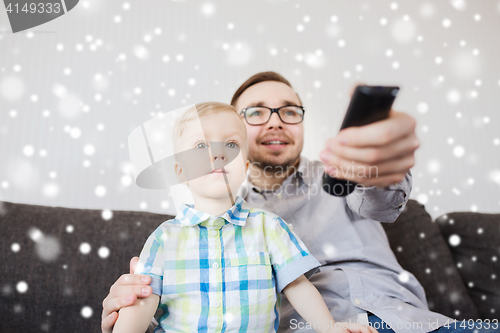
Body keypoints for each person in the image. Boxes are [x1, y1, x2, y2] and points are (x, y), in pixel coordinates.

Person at [102, 72, 493, 333]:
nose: (275, 121)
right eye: (256, 113)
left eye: (289, 111)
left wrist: (380, 164)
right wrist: (133, 314)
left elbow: (382, 201)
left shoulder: (339, 174)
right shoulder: (195, 230)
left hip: (408, 323)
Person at [111, 102, 377, 333]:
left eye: (231, 145)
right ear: (180, 171)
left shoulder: (268, 227)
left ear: (246, 167)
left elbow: (296, 284)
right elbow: (144, 298)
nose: (217, 154)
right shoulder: (165, 237)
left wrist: (329, 327)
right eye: (201, 145)